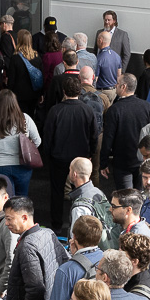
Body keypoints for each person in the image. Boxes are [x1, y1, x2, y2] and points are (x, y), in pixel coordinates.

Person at [42, 75, 98, 229]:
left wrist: (48, 156)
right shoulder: (87, 110)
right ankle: (79, 223)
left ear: (64, 91)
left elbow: (47, 136)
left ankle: (56, 224)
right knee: (80, 191)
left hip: (58, 157)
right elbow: (94, 135)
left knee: (57, 191)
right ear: (79, 91)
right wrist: (91, 155)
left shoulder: (55, 111)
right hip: (80, 158)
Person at [0, 89, 39, 197]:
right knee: (21, 200)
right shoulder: (25, 119)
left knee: (4, 201)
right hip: (23, 166)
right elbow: (37, 141)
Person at [103, 73, 150, 189]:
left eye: (117, 83)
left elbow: (108, 138)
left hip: (122, 162)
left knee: (125, 197)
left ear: (123, 87)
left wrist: (103, 162)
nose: (115, 85)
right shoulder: (147, 107)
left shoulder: (114, 110)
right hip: (143, 159)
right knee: (141, 196)